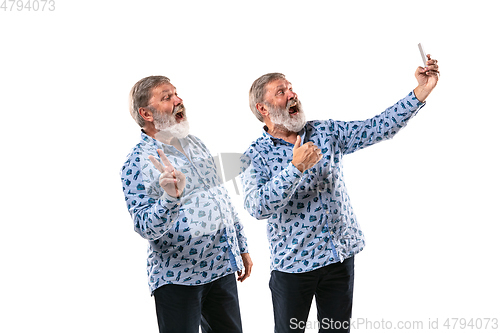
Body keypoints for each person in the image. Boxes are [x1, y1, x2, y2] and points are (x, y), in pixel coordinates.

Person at [240, 57, 439, 332]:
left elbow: (377, 127)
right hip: (294, 267)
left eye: (291, 88)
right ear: (263, 108)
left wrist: (420, 92)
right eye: (281, 91)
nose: (292, 94)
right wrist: (295, 168)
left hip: (339, 258)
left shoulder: (325, 131)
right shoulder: (254, 155)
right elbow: (257, 206)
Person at [121, 75, 253, 333]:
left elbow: (221, 197)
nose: (178, 101)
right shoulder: (136, 163)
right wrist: (170, 198)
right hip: (178, 278)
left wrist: (240, 245)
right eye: (167, 97)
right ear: (146, 113)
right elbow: (145, 227)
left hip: (221, 267)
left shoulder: (195, 144)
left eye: (176, 94)